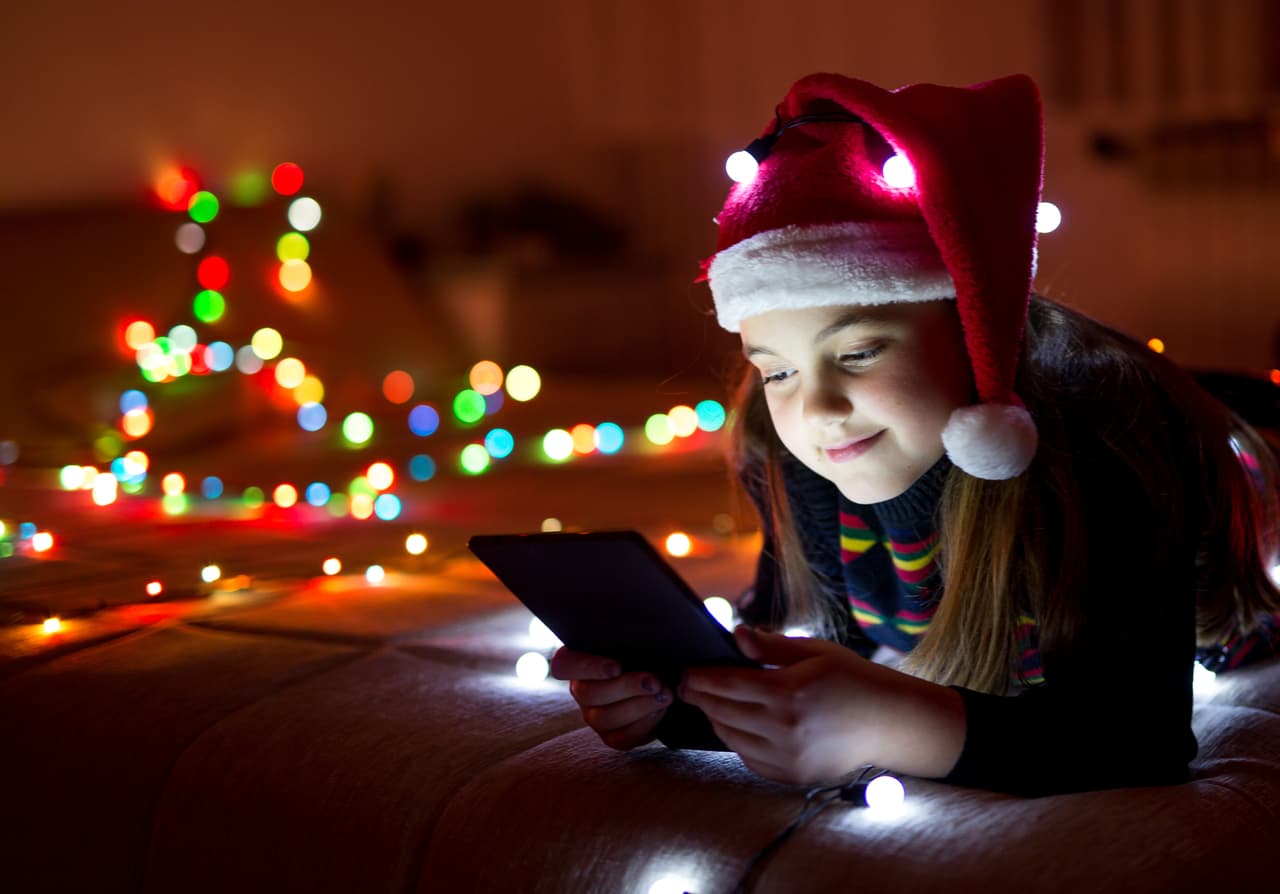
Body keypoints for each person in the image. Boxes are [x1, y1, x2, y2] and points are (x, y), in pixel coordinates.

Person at [550, 72, 1280, 797]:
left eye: (860, 351)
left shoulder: (1111, 439)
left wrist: (891, 721)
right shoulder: (788, 445)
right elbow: (792, 650)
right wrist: (672, 703)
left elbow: (1132, 735)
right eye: (777, 373)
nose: (818, 409)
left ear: (975, 334)